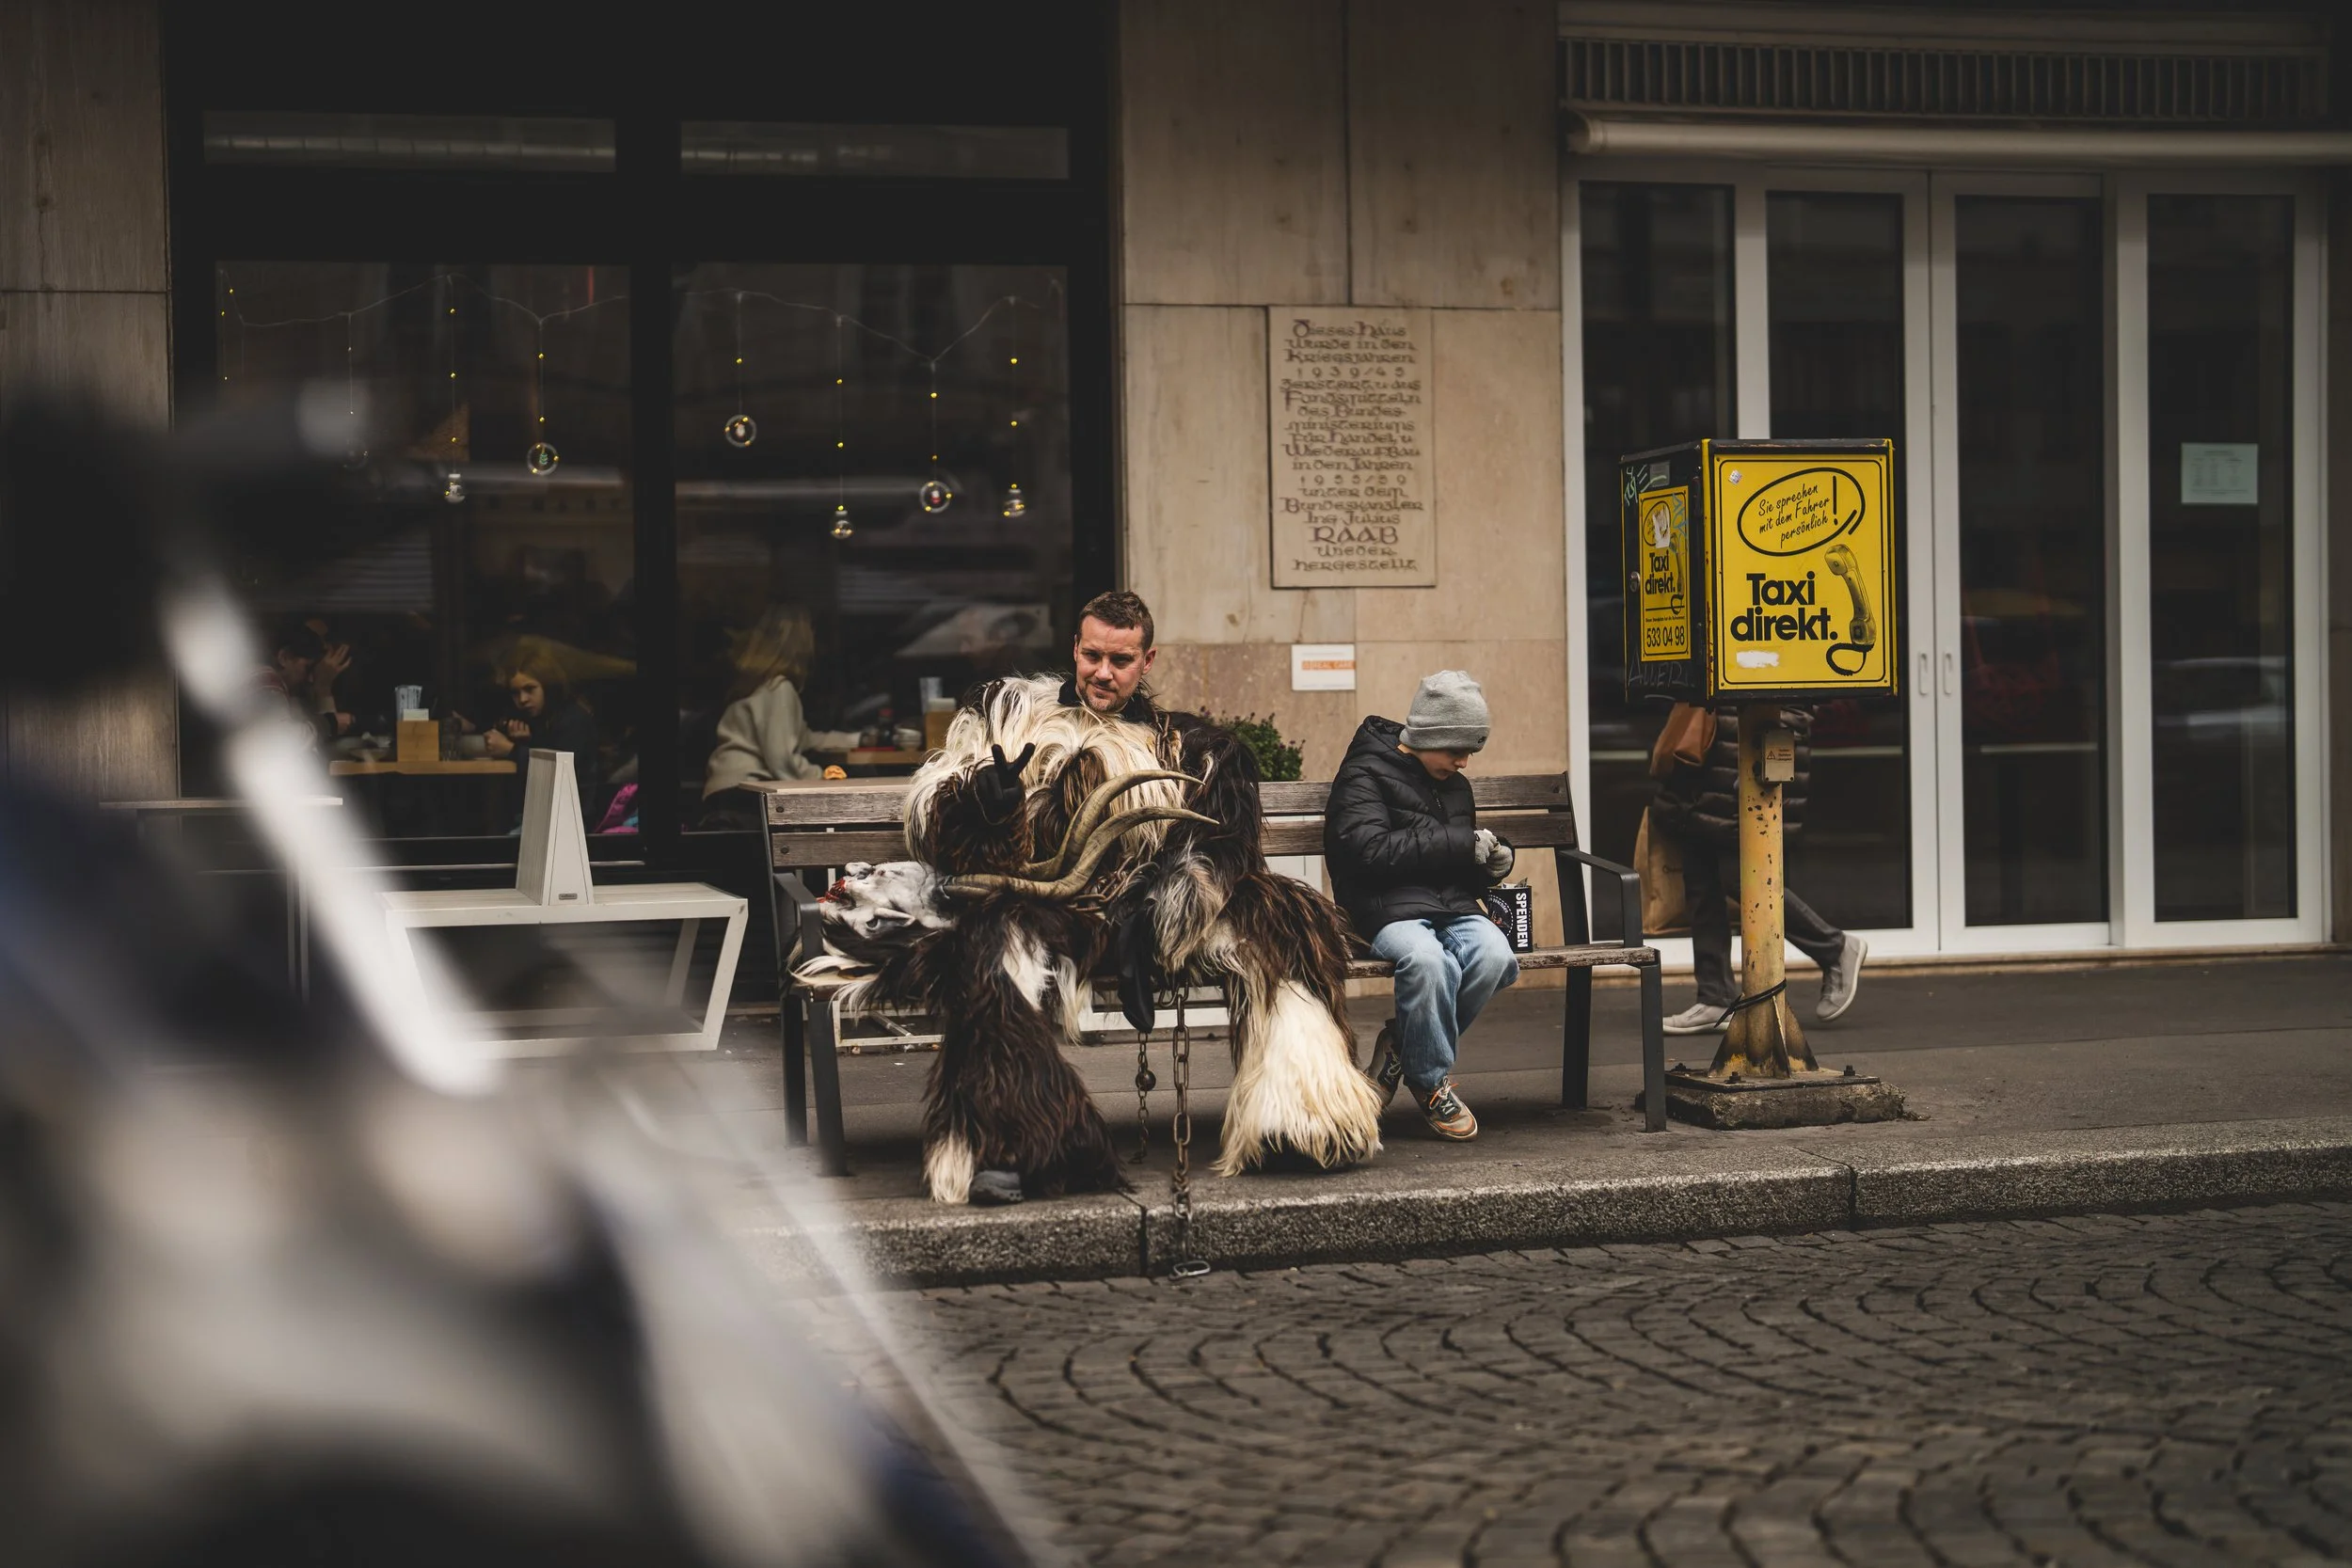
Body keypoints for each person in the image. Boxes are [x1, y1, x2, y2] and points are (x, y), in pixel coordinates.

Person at [1324, 672, 1519, 1142]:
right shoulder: (1363, 774)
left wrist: (1491, 864)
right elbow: (1367, 852)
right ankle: (1430, 1081)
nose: (1464, 762)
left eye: (1470, 750)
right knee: (1429, 962)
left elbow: (1457, 865)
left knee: (1497, 957)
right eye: (1456, 750)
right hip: (1381, 907)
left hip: (1450, 905)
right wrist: (1458, 844)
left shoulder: (1453, 784)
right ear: (1429, 736)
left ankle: (1401, 1048)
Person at [1651, 704, 1867, 1035]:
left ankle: (1834, 947)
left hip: (1739, 757)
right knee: (1700, 883)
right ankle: (1715, 996)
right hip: (1706, 766)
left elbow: (1796, 706)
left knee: (1741, 878)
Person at [700, 606, 862, 822]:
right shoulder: (779, 689)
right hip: (743, 795)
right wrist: (822, 777)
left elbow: (803, 737)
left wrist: (858, 739)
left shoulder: (759, 686)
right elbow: (783, 760)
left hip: (724, 792)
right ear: (801, 644)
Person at [464, 655, 600, 813]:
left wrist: (511, 750)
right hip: (543, 813)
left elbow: (560, 774)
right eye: (515, 692)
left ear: (548, 687)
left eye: (530, 689)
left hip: (570, 817)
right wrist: (526, 743)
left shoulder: (573, 719)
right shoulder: (542, 717)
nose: (522, 699)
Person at [254, 623, 353, 752]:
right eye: (307, 668)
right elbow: (284, 741)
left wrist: (323, 688)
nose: (310, 679)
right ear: (284, 657)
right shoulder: (264, 679)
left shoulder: (287, 691)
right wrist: (328, 723)